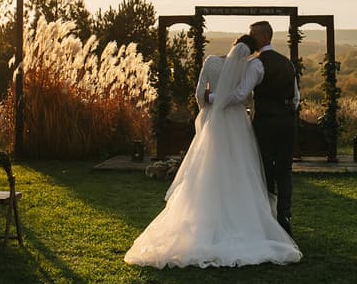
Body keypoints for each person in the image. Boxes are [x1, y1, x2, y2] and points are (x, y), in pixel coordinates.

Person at [124, 35, 301, 268]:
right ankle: (249, 220)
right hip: (238, 123)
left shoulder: (210, 62)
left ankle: (204, 220)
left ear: (233, 45)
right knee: (240, 168)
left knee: (207, 169)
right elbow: (244, 96)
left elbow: (199, 95)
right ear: (249, 52)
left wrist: (208, 109)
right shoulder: (251, 66)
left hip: (214, 122)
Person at [242, 20, 299, 235]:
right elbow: (296, 98)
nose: (250, 40)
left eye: (253, 36)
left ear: (264, 37)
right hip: (286, 122)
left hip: (265, 121)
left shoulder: (257, 64)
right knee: (285, 171)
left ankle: (268, 218)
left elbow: (243, 94)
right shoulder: (288, 63)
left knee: (264, 169)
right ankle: (284, 217)